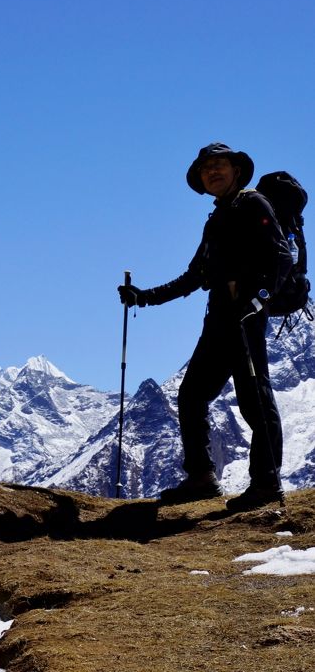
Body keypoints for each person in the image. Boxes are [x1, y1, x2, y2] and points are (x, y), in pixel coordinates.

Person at [118, 142, 293, 512]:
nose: (212, 172)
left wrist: (258, 300)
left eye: (219, 165)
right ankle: (201, 478)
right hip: (219, 318)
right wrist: (143, 297)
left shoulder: (253, 204)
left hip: (245, 316)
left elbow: (281, 256)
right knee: (193, 395)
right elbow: (195, 275)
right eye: (206, 168)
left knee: (255, 399)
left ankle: (266, 484)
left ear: (235, 170)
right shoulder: (216, 219)